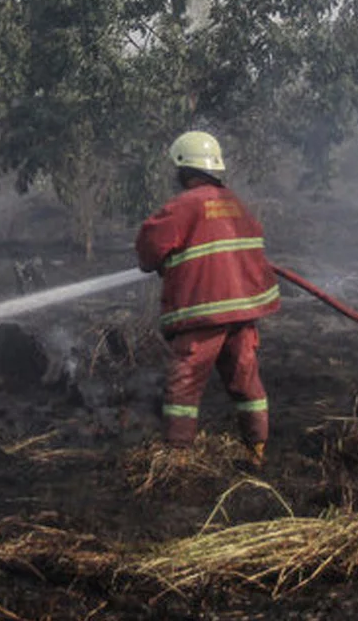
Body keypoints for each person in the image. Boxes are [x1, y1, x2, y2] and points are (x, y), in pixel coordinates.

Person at [134, 130, 282, 469]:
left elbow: (149, 249)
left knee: (184, 384)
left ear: (184, 169)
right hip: (242, 312)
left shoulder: (183, 206)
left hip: (204, 313)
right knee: (245, 380)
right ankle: (256, 449)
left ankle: (178, 457)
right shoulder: (236, 204)